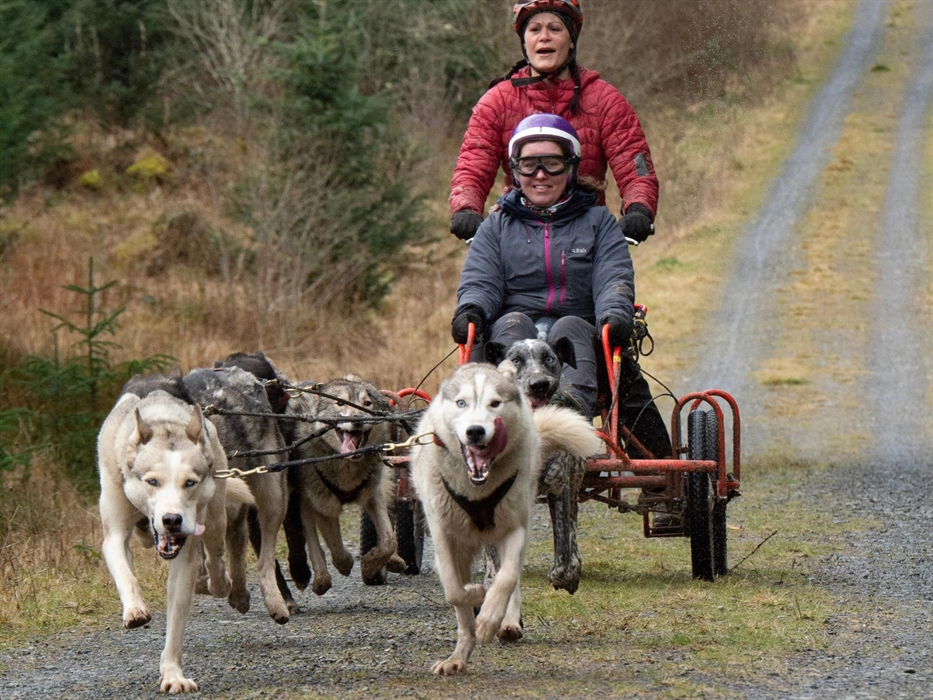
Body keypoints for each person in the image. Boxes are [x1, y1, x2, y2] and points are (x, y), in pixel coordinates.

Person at [451, 116, 670, 468]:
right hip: (510, 332)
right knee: (513, 322)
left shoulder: (599, 222)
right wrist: (471, 310)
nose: (540, 175)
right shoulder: (495, 227)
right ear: (515, 171)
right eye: (529, 165)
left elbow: (613, 275)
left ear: (570, 167)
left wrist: (615, 311)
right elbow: (480, 281)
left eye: (552, 164)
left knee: (574, 330)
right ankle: (504, 411)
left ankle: (571, 414)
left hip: (581, 335)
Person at [449, 0, 658, 246]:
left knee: (615, 284)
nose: (544, 37)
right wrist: (466, 209)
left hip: (587, 235)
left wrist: (638, 209)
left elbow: (635, 167)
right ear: (524, 42)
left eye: (555, 29)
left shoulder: (605, 100)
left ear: (571, 41)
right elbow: (473, 166)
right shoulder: (496, 102)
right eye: (535, 30)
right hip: (517, 236)